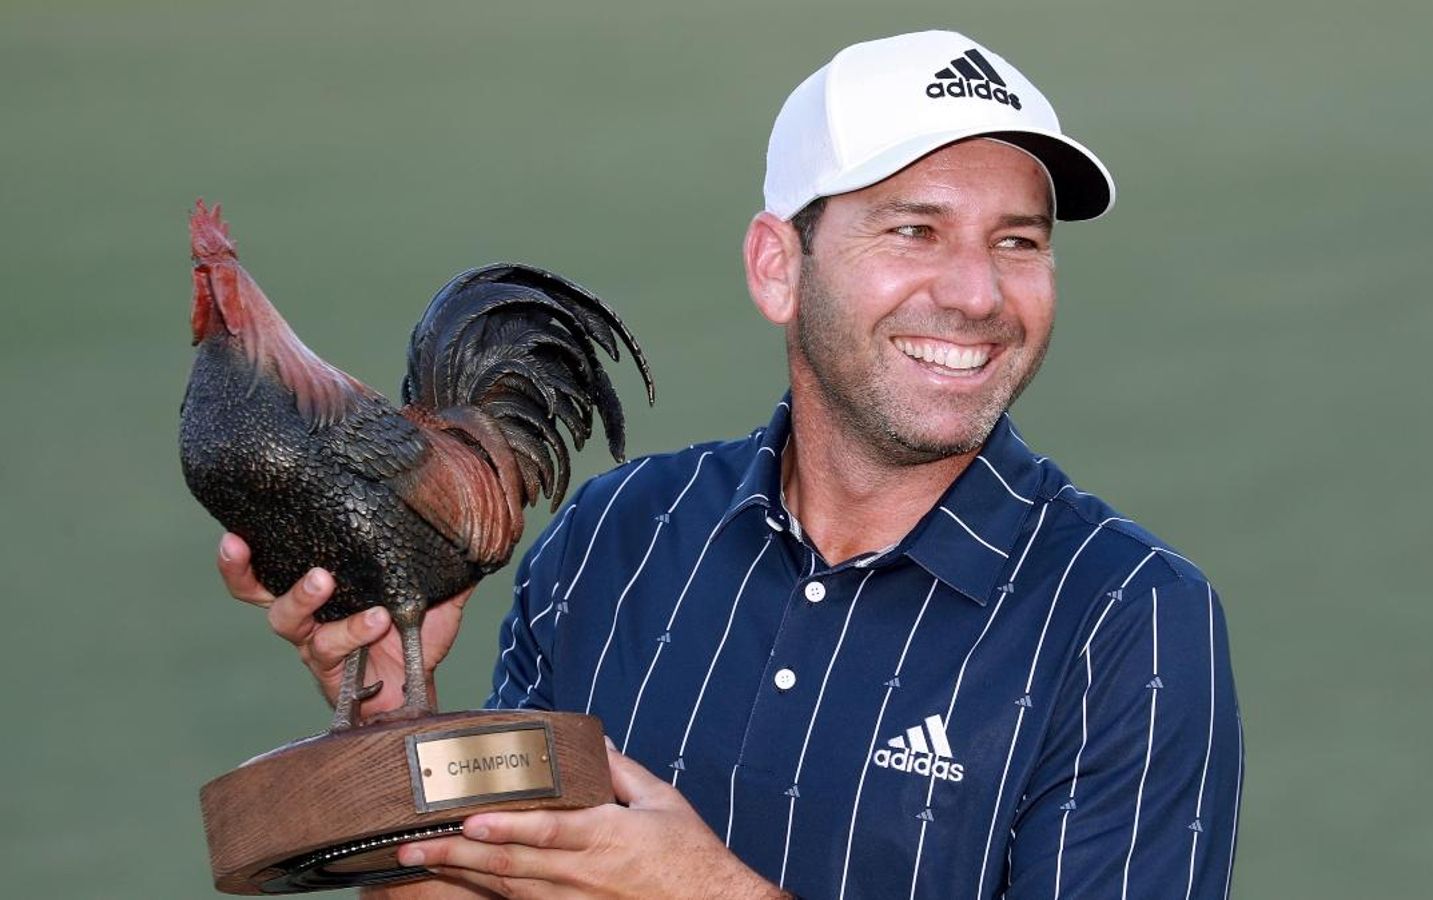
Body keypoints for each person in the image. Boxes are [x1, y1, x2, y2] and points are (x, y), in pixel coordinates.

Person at [220, 30, 1243, 899]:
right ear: (775, 267)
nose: (976, 293)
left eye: (1017, 242)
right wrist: (396, 717)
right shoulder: (612, 540)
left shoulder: (1131, 621)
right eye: (913, 230)